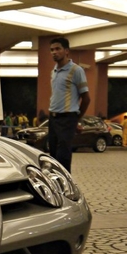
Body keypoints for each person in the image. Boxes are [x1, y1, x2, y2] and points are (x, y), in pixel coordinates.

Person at [48, 37, 91, 173]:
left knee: (63, 157)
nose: (54, 52)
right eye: (52, 50)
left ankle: (67, 191)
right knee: (53, 157)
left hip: (67, 119)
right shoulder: (53, 71)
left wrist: (76, 120)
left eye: (58, 49)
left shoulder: (76, 70)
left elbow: (86, 98)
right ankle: (56, 189)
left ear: (66, 51)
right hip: (53, 118)